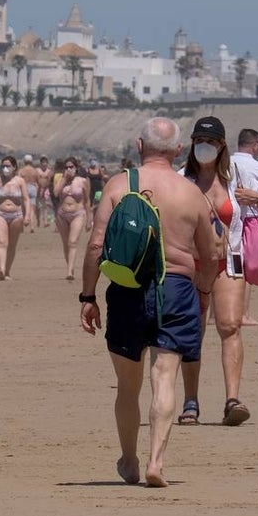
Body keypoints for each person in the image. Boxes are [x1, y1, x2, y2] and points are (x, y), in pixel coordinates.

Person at [79, 117, 216, 487]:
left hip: (128, 287)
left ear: (140, 145)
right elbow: (210, 255)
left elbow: (95, 244)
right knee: (164, 378)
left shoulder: (120, 184)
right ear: (178, 151)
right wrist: (202, 292)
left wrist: (88, 295)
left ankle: (129, 460)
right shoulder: (192, 195)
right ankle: (157, 461)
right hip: (176, 288)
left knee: (128, 385)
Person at [176, 117, 258, 427]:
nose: (206, 147)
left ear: (222, 146)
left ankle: (232, 399)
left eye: (213, 142)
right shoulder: (181, 179)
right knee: (193, 331)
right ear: (193, 144)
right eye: (200, 141)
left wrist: (257, 199)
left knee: (230, 326)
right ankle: (191, 401)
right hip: (192, 265)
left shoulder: (236, 173)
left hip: (229, 260)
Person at [231, 128, 258, 327]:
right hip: (248, 220)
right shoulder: (257, 167)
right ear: (255, 146)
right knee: (246, 268)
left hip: (226, 218)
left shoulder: (227, 162)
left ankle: (216, 315)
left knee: (225, 266)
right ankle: (242, 314)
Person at [0, 155, 31, 280]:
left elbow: (26, 199)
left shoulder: (20, 181)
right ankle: (1, 270)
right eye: (3, 166)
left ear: (14, 167)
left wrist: (27, 216)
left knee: (12, 245)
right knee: (2, 242)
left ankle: (7, 271)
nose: (5, 168)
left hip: (17, 215)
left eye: (8, 166)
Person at [53, 157, 93, 281]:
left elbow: (87, 201)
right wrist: (64, 179)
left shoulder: (82, 181)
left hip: (78, 213)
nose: (68, 169)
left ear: (76, 168)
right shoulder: (60, 179)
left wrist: (89, 219)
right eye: (66, 167)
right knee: (66, 244)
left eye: (71, 167)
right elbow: (55, 193)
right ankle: (70, 266)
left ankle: (70, 271)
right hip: (62, 214)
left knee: (73, 242)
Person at [17, 155, 39, 232]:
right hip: (33, 187)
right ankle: (32, 226)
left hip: (24, 187)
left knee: (23, 208)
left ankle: (22, 227)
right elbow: (37, 181)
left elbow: (18, 181)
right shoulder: (35, 171)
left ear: (24, 161)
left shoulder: (21, 171)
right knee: (32, 209)